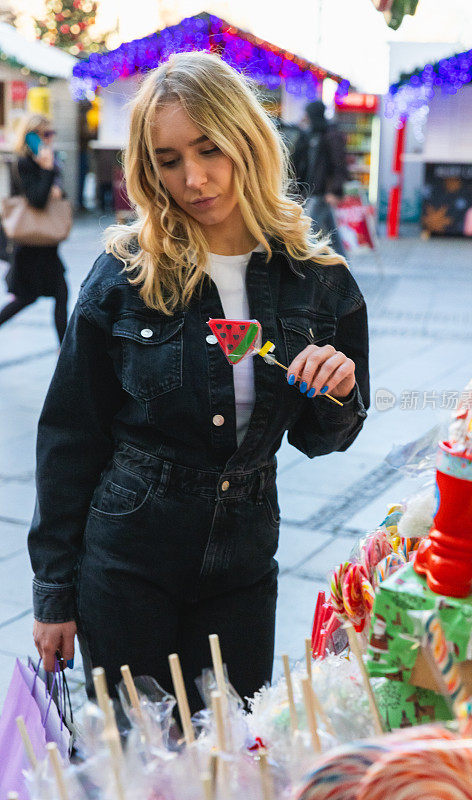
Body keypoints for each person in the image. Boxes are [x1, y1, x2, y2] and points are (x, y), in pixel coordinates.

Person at [29, 52, 369, 713]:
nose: (194, 178)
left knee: (231, 756)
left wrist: (334, 391)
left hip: (243, 562)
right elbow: (69, 434)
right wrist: (52, 595)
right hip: (127, 555)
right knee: (137, 760)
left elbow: (326, 440)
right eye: (168, 158)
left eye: (209, 148)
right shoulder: (124, 274)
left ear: (245, 138)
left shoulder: (319, 280)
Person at [0, 114, 69, 344]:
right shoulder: (23, 163)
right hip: (29, 246)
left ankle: (65, 353)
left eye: (51, 134)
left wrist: (53, 181)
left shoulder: (49, 160)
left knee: (61, 295)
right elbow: (37, 200)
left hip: (47, 247)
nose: (50, 139)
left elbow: (58, 195)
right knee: (24, 299)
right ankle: (65, 352)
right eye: (45, 134)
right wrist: (47, 170)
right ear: (32, 136)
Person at [293, 99, 349, 258]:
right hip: (311, 192)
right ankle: (342, 263)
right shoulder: (309, 135)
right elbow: (300, 162)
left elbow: (339, 165)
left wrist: (334, 191)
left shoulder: (330, 135)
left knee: (308, 232)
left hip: (322, 193)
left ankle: (307, 266)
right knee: (330, 233)